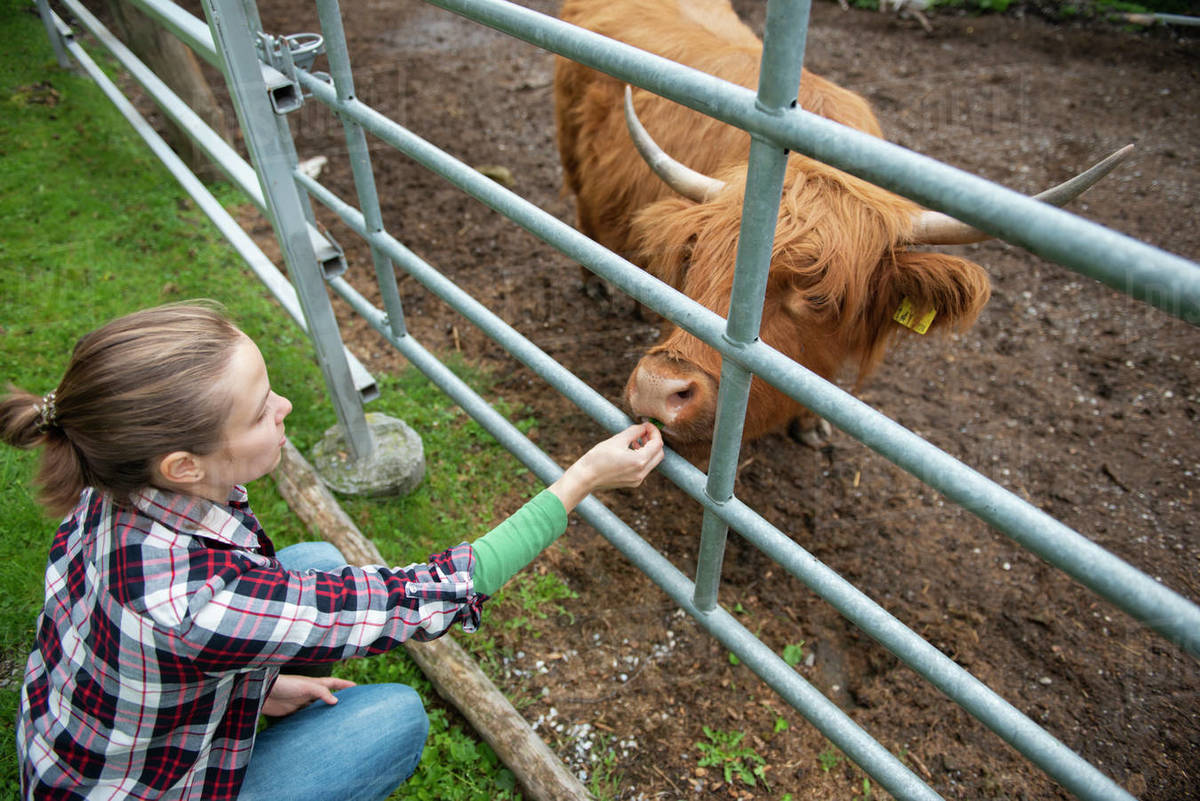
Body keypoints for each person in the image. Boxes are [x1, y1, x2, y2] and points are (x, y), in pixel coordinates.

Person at [1, 301, 664, 801]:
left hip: (76, 751)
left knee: (316, 557)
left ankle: (249, 692)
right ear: (182, 464)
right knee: (394, 720)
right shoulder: (195, 605)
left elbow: (155, 649)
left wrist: (256, 690)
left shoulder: (113, 481)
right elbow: (430, 593)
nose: (286, 405)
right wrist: (580, 481)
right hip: (148, 788)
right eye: (261, 412)